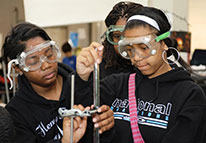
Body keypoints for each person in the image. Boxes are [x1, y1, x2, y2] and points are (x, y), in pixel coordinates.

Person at [76, 6, 206, 143]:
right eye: (130, 49)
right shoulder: (118, 84)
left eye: (144, 48)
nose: (136, 57)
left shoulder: (189, 95)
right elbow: (79, 109)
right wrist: (83, 77)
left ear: (164, 43)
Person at [1, 22, 114, 143]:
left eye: (49, 55)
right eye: (34, 62)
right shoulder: (16, 113)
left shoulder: (83, 82)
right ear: (18, 68)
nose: (46, 65)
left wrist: (108, 119)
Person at [100, 1, 143, 79]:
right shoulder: (100, 68)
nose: (124, 43)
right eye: (117, 36)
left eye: (131, 37)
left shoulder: (157, 67)